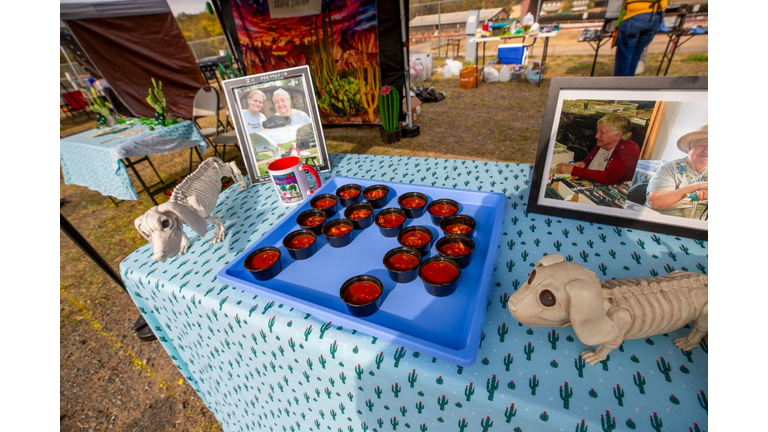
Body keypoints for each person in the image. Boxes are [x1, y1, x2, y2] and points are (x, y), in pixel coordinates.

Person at [555, 113, 640, 184]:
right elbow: (589, 160)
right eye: (598, 131)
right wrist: (583, 163)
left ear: (618, 136)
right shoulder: (603, 142)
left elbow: (609, 177)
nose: (597, 136)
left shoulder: (629, 150)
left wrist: (574, 170)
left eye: (602, 133)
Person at [645, 125, 707, 219]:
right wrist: (697, 186)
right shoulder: (669, 168)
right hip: (661, 220)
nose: (706, 150)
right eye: (701, 145)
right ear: (690, 146)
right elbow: (656, 202)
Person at [613, 0, 668, 76]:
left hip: (636, 12)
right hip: (657, 14)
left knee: (625, 55)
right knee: (636, 54)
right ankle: (628, 83)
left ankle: (620, 84)